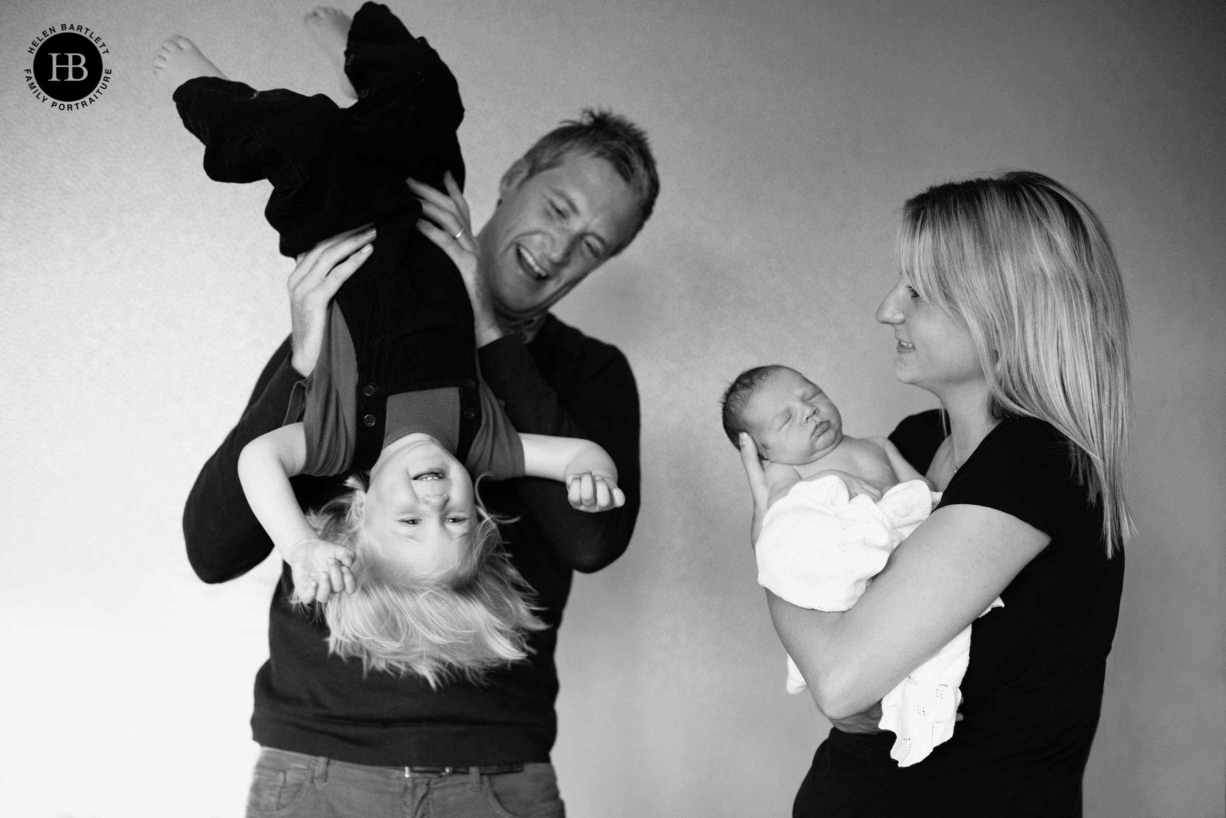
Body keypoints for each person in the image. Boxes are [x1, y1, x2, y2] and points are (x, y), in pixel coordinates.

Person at [175, 6, 659, 817]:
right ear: (511, 181)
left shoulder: (589, 372)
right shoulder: (352, 329)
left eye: (596, 244)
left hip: (497, 773)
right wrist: (303, 362)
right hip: (317, 763)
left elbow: (592, 539)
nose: (562, 245)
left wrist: (490, 335)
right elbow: (212, 548)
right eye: (560, 207)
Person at [738, 171, 1130, 815]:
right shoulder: (915, 445)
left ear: (1001, 312)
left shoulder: (1038, 463)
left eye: (918, 290)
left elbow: (840, 684)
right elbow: (850, 670)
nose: (887, 308)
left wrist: (772, 530)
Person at [721, 364, 1000, 766]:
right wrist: (833, 481)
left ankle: (923, 694)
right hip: (851, 562)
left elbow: (922, 492)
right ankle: (903, 702)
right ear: (764, 452)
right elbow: (789, 512)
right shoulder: (786, 470)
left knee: (931, 641)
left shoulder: (878, 444)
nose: (809, 411)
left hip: (904, 550)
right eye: (786, 418)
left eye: (812, 394)